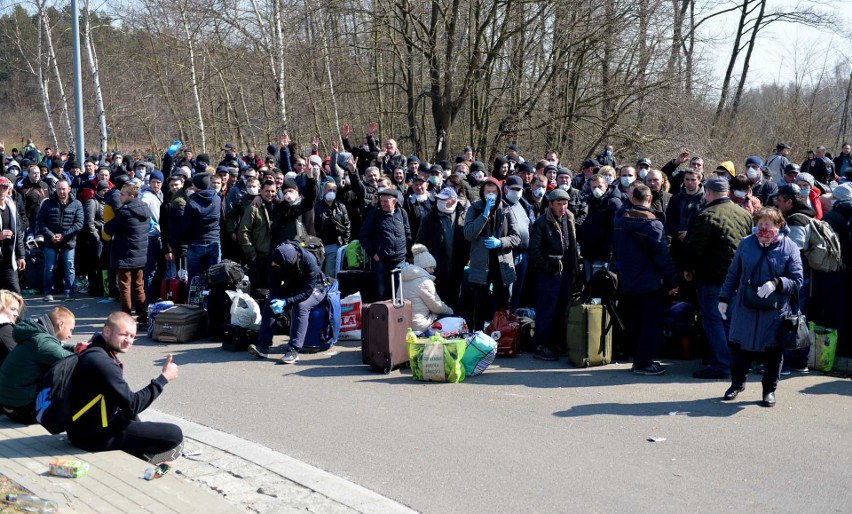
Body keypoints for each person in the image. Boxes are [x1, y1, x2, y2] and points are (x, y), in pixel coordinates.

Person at [67, 312, 183, 463]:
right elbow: (133, 404)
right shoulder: (102, 362)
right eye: (124, 334)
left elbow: (125, 403)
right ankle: (144, 457)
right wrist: (164, 378)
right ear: (107, 331)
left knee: (133, 419)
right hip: (94, 436)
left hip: (82, 428)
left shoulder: (93, 349)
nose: (129, 340)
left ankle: (141, 454)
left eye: (132, 336)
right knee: (175, 434)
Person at [719, 207, 803, 407]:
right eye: (761, 223)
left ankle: (769, 391)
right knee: (739, 350)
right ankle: (737, 384)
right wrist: (723, 298)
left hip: (775, 311)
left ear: (779, 225)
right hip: (745, 308)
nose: (764, 228)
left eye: (769, 224)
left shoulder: (789, 247)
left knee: (773, 353)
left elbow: (797, 280)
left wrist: (776, 283)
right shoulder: (746, 243)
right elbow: (733, 273)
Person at [683, 177, 753, 379]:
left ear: (708, 193)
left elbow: (694, 247)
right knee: (730, 322)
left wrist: (688, 268)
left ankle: (721, 364)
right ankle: (734, 362)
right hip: (737, 277)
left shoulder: (706, 215)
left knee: (713, 321)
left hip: (712, 277)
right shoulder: (744, 214)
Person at [612, 184, 678, 375]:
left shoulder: (620, 220)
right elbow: (662, 256)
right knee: (650, 323)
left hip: (628, 279)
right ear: (649, 200)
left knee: (635, 322)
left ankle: (639, 359)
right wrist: (672, 281)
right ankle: (644, 362)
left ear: (633, 199)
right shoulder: (653, 224)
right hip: (649, 282)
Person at [248, 242, 328, 364]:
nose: (274, 264)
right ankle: (263, 345)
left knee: (301, 306)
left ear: (288, 263)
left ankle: (293, 350)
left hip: (315, 287)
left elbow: (307, 292)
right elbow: (274, 285)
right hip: (294, 284)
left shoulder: (309, 261)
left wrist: (286, 302)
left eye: (277, 264)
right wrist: (276, 299)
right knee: (271, 301)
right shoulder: (275, 257)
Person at [0, 307, 76, 424]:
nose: (71, 335)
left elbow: (56, 348)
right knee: (66, 373)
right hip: (21, 410)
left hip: (10, 403)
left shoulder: (36, 334)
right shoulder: (41, 342)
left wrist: (76, 348)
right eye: (71, 330)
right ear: (61, 325)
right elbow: (70, 360)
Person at [527, 188, 578, 360]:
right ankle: (540, 344)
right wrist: (548, 267)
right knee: (546, 309)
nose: (563, 207)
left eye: (565, 204)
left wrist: (573, 271)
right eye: (559, 204)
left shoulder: (569, 218)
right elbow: (534, 251)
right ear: (550, 204)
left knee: (561, 310)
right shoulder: (542, 223)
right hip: (549, 273)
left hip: (565, 273)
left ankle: (556, 342)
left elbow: (571, 247)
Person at [463, 177, 520, 330]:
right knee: (479, 302)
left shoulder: (506, 209)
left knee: (502, 301)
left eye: (493, 192)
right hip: (482, 264)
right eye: (487, 192)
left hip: (501, 264)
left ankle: (501, 334)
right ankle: (478, 334)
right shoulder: (474, 208)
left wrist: (500, 242)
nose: (490, 195)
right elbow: (468, 234)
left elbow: (516, 237)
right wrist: (484, 214)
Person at [103, 183, 150, 323]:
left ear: (131, 196)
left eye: (122, 194)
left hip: (124, 255)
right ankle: (143, 317)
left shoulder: (125, 212)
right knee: (139, 286)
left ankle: (127, 319)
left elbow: (108, 228)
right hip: (140, 255)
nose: (119, 196)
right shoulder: (144, 208)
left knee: (124, 288)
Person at [359, 189, 412, 300]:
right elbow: (363, 236)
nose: (382, 204)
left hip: (400, 260)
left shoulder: (402, 213)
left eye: (385, 201)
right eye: (381, 201)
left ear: (394, 201)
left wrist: (408, 254)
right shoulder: (374, 215)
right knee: (381, 292)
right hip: (381, 260)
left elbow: (408, 234)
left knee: (399, 293)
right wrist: (373, 253)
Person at [37, 179, 84, 301]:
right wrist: (51, 235)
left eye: (64, 189)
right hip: (50, 240)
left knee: (69, 266)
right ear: (55, 189)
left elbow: (79, 224)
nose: (61, 191)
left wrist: (63, 236)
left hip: (68, 241)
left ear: (69, 189)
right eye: (59, 189)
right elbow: (41, 222)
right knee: (49, 267)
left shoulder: (77, 204)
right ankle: (48, 292)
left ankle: (69, 292)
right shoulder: (48, 203)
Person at [181, 172, 222, 284]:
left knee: (194, 278)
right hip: (214, 241)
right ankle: (212, 299)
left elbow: (186, 226)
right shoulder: (217, 199)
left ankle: (194, 300)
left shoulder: (192, 203)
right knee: (214, 278)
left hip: (196, 243)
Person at [401, 245, 454, 331]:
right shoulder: (424, 282)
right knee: (450, 317)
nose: (433, 271)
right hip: (419, 325)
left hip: (404, 323)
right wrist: (450, 311)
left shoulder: (404, 278)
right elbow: (437, 306)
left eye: (433, 268)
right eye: (430, 267)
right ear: (423, 267)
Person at [0, 177, 25, 293]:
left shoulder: (11, 206)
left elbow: (18, 232)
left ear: (9, 190)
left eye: (4, 188)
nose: (1, 192)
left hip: (9, 257)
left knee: (15, 293)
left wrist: (21, 256)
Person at [0, 290, 24, 367]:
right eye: (13, 309)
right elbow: (21, 357)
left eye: (17, 310)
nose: (16, 314)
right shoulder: (4, 329)